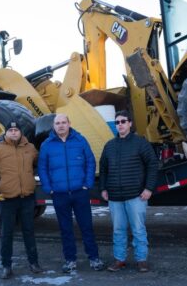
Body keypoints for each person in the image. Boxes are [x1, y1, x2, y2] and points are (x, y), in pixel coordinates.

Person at [38, 114, 105, 273]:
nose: (60, 125)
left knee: (86, 227)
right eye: (57, 123)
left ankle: (94, 258)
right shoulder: (47, 145)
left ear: (69, 124)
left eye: (63, 122)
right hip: (59, 194)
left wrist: (87, 184)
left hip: (79, 192)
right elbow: (42, 168)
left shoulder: (80, 140)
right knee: (65, 229)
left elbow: (90, 161)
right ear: (53, 126)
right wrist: (49, 188)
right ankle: (70, 260)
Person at [0, 121, 42, 279]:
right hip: (6, 199)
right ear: (6, 133)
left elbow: (41, 163)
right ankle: (6, 266)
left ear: (21, 133)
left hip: (27, 198)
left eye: (16, 130)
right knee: (7, 233)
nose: (14, 133)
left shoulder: (30, 149)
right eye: (11, 130)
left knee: (29, 231)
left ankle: (34, 263)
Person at [99, 110, 158, 273]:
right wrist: (103, 188)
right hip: (115, 197)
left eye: (123, 121)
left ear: (130, 124)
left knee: (138, 229)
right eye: (117, 122)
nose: (120, 125)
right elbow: (103, 169)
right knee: (118, 230)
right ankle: (119, 260)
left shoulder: (140, 143)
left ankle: (142, 260)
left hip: (136, 195)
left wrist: (149, 188)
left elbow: (152, 165)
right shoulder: (109, 145)